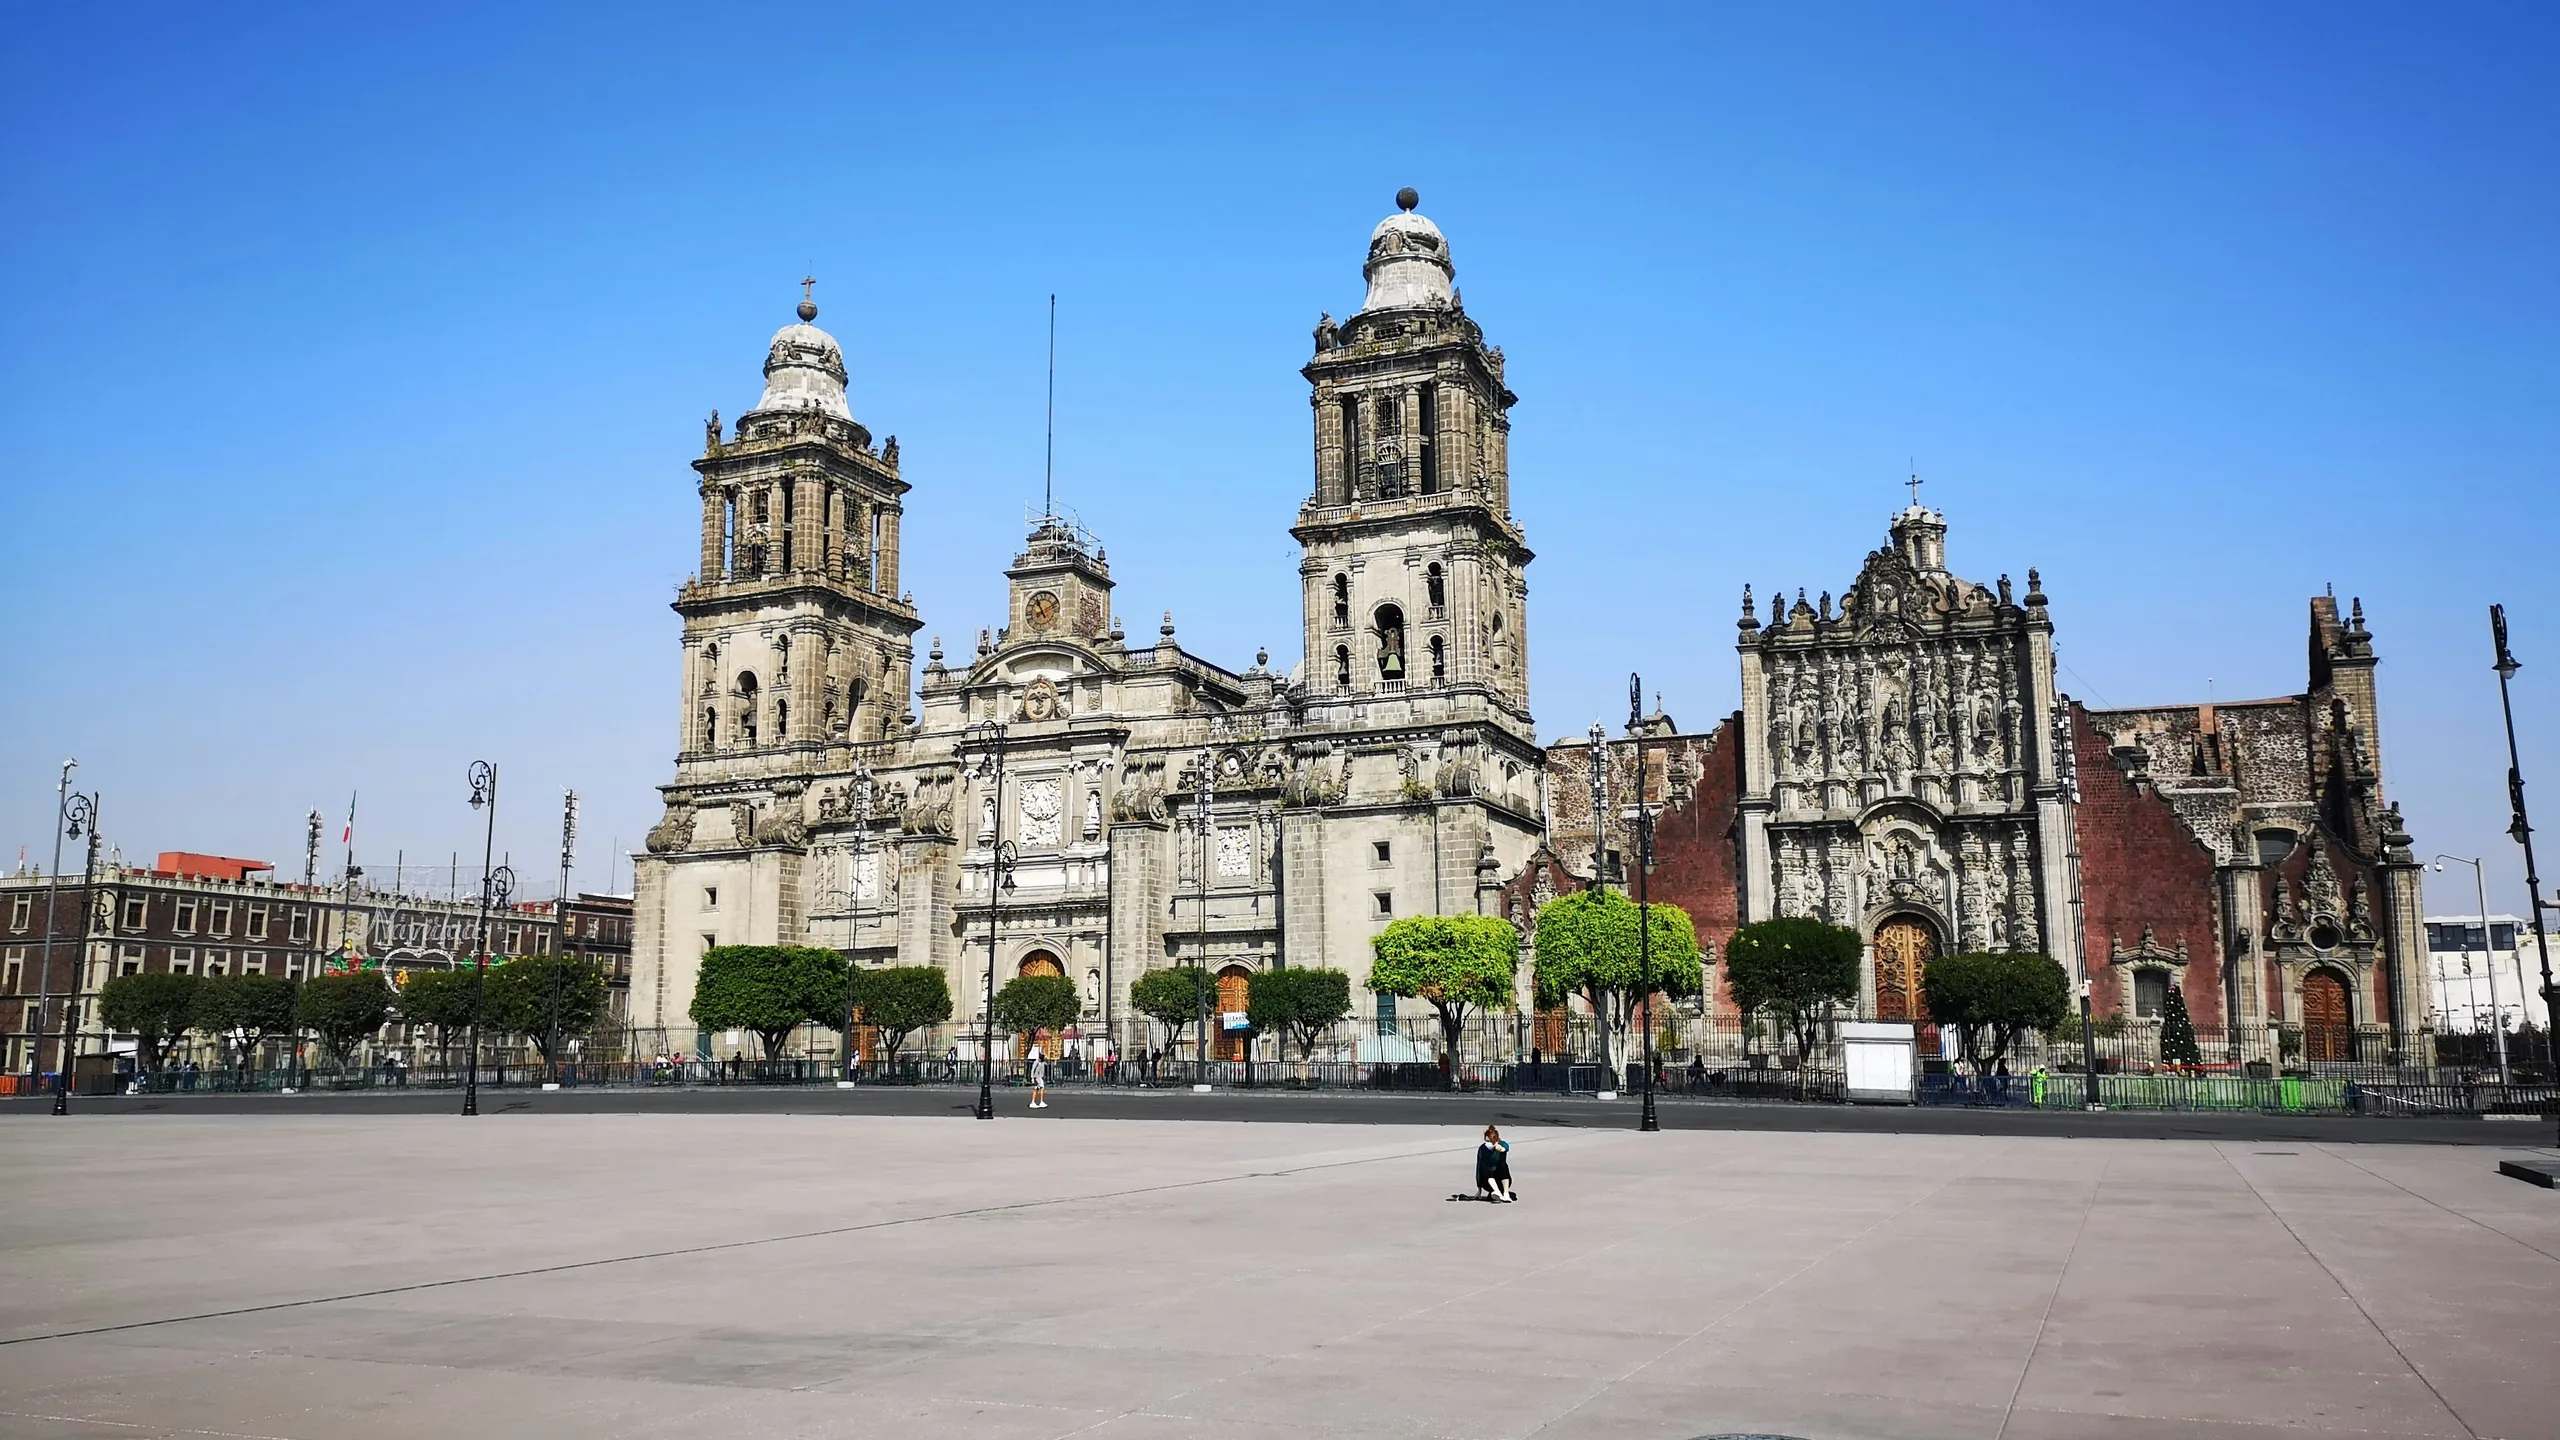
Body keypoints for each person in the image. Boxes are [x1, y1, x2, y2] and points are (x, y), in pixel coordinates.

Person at [1476, 1124, 1516, 1202]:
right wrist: (1479, 1189)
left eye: (1489, 1141)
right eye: (1486, 1141)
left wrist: (1502, 1149)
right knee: (1484, 1166)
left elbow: (1506, 1147)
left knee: (1502, 1165)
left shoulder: (1501, 1144)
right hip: (1488, 1182)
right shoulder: (1482, 1149)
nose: (1487, 1143)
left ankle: (1506, 1194)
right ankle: (1496, 1191)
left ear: (1496, 1140)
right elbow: (1478, 1168)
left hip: (1501, 1179)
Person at [1028, 1044, 1050, 1109]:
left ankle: (1033, 1102)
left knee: (1036, 1089)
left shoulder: (1043, 1062)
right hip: (1037, 1077)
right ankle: (1041, 1101)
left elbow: (1048, 1063)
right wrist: (1032, 1078)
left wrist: (1046, 1056)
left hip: (1040, 1076)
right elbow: (1032, 1069)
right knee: (1042, 1087)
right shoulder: (1036, 1061)